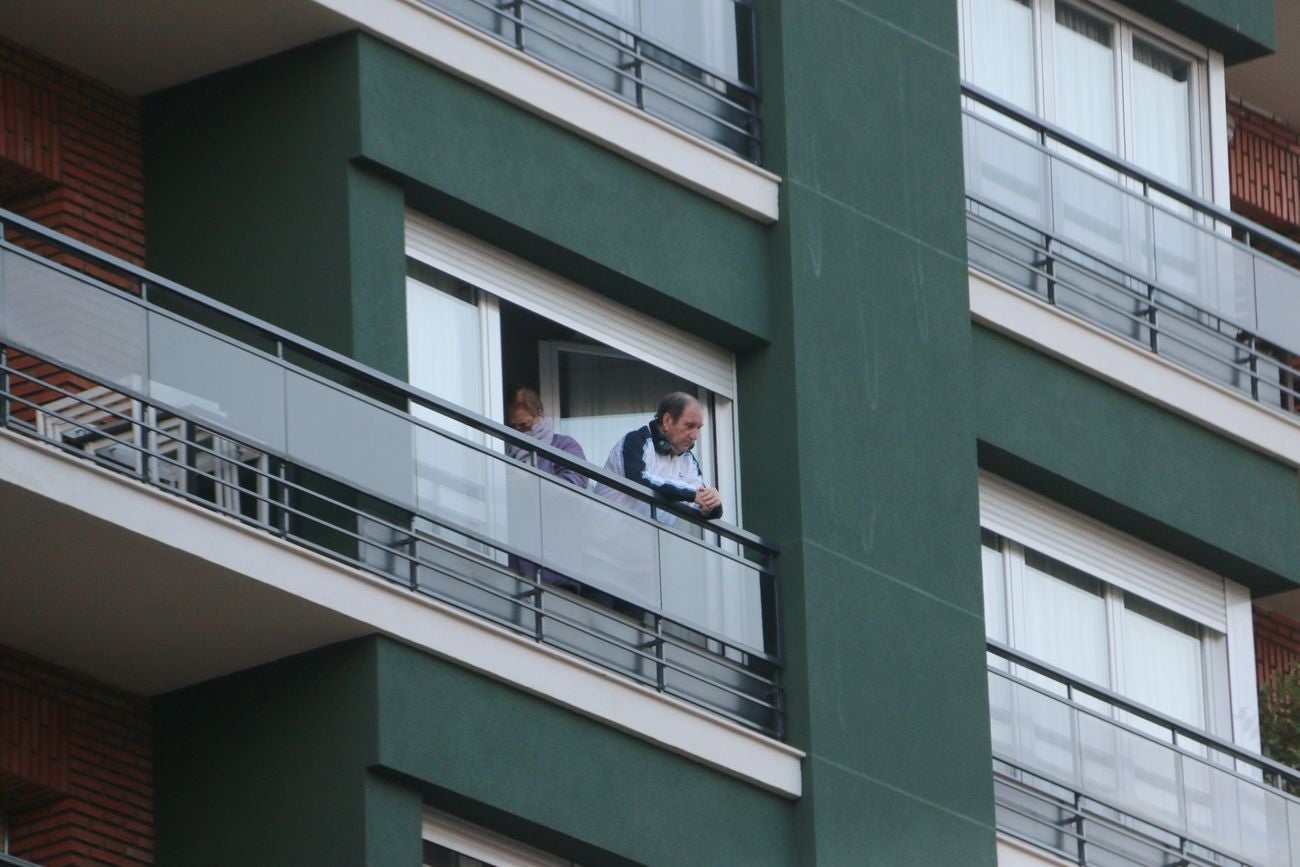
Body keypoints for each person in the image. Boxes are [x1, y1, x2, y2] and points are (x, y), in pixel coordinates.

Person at [503, 386, 587, 590]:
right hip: (517, 557)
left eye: (525, 425)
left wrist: (529, 480)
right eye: (514, 427)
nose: (521, 433)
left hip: (557, 562)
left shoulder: (564, 446)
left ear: (539, 414)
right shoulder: (504, 450)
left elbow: (573, 489)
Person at [598, 391, 722, 524]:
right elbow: (638, 479)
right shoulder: (635, 441)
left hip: (648, 542)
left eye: (698, 428)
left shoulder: (688, 461)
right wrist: (692, 494)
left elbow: (700, 504)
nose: (695, 436)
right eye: (690, 426)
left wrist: (713, 502)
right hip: (603, 538)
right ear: (667, 420)